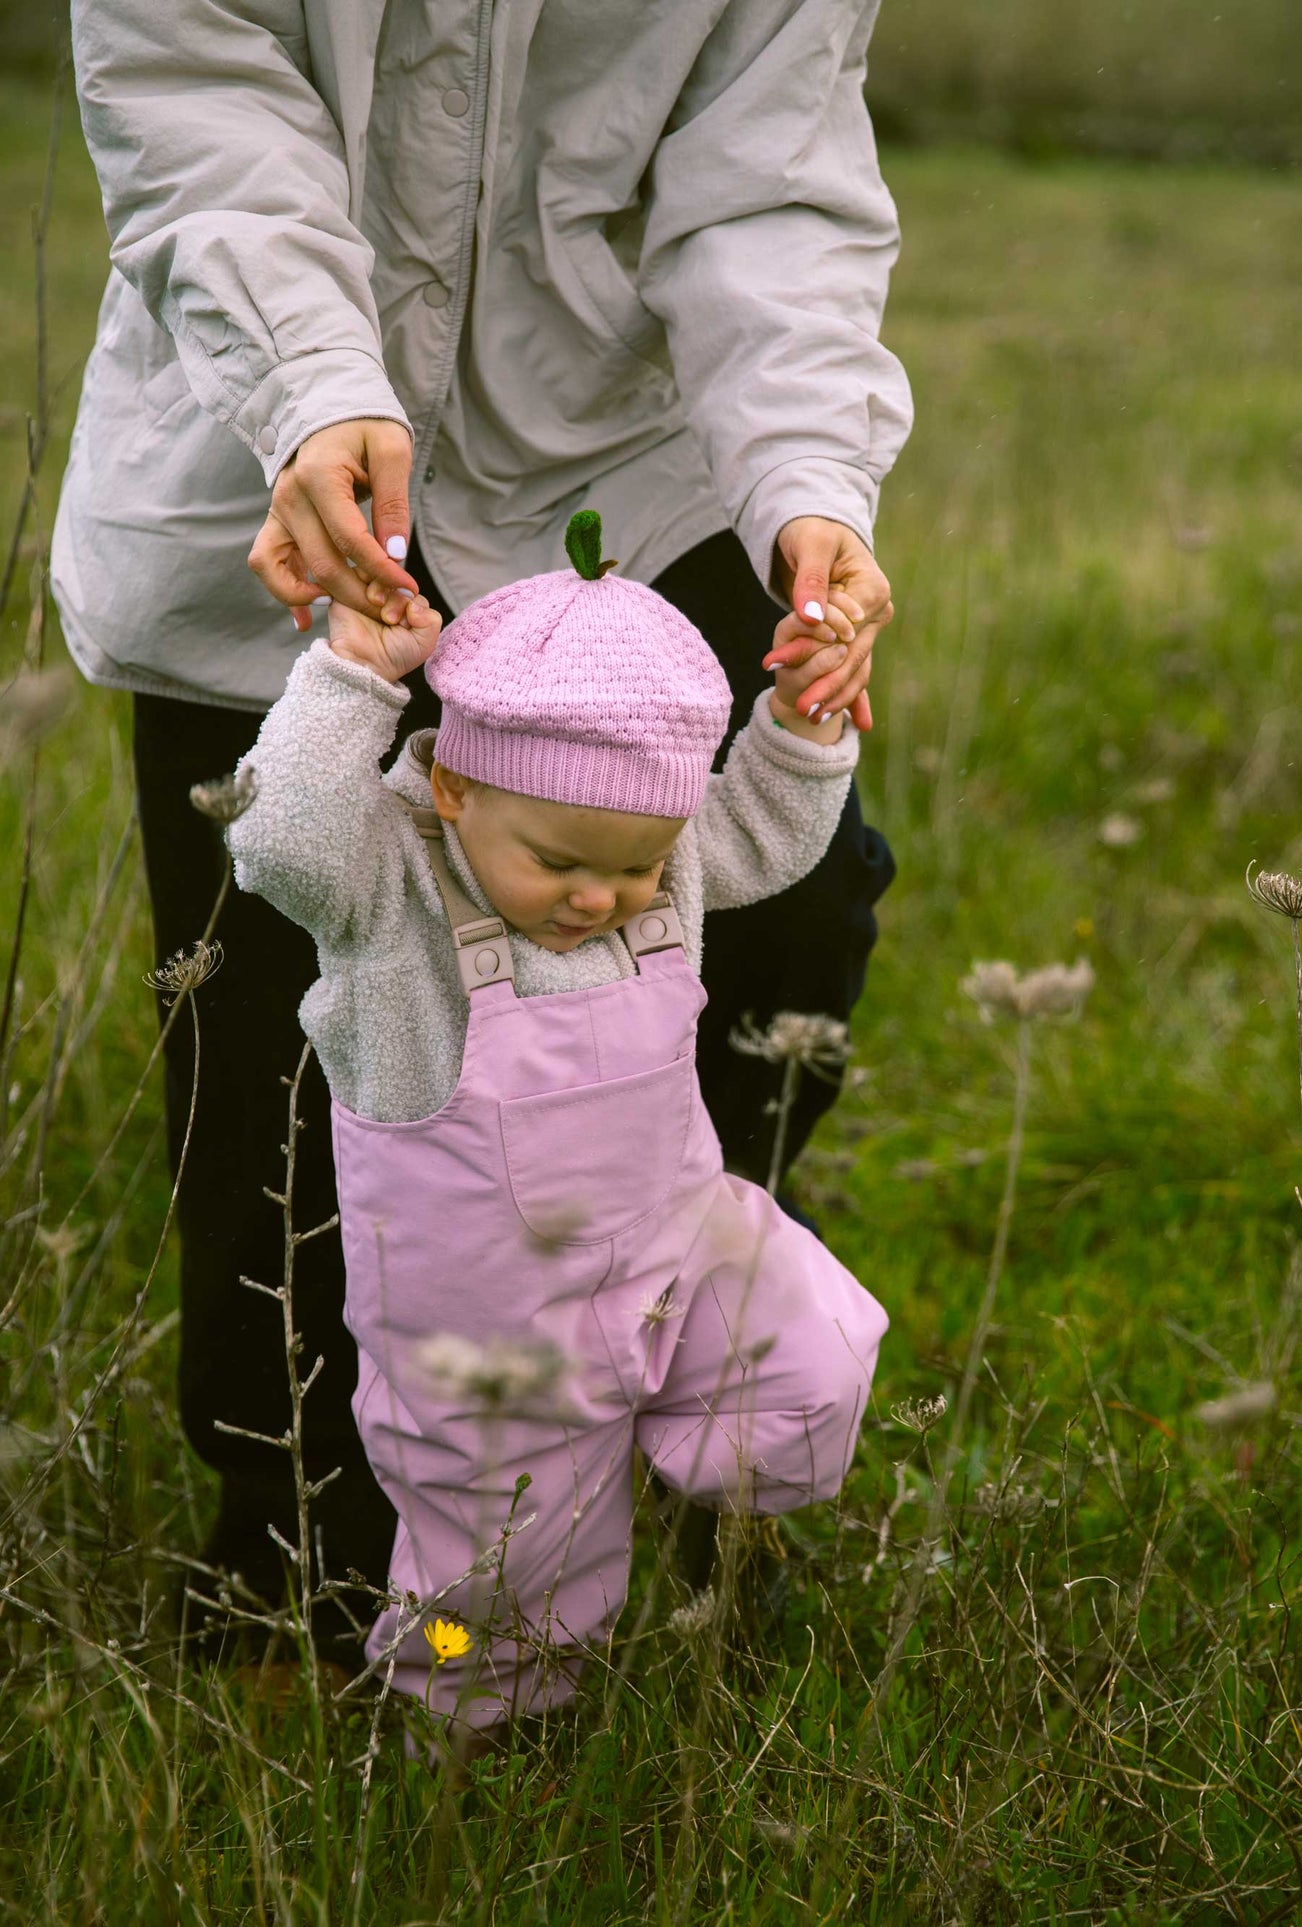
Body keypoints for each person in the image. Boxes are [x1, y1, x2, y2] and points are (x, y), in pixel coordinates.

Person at [58, 0, 912, 1656]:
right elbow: (193, 91)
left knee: (784, 931)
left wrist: (811, 485)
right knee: (263, 1024)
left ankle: (657, 1395)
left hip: (625, 465)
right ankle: (300, 1550)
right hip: (275, 448)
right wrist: (309, 386)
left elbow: (773, 171)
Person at [223, 510, 889, 1732]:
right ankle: (454, 1722)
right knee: (494, 1587)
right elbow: (277, 840)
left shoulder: (662, 860)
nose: (600, 898)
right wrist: (355, 673)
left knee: (813, 1359)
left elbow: (759, 828)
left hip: (671, 1250)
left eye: (637, 868)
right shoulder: (389, 891)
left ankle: (669, 1475)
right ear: (454, 784)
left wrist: (802, 723)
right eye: (561, 863)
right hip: (489, 1333)